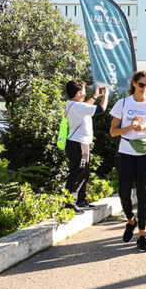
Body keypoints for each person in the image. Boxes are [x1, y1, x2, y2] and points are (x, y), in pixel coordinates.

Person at [109, 71, 146, 252]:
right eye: (142, 85)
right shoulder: (123, 103)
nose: (145, 89)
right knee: (124, 192)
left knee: (142, 192)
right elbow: (113, 132)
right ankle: (131, 220)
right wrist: (130, 127)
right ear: (134, 84)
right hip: (125, 151)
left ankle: (142, 235)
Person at [63, 80, 109, 214]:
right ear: (78, 93)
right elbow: (101, 109)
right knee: (78, 173)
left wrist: (94, 97)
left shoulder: (74, 104)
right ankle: (70, 203)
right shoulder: (78, 106)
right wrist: (106, 95)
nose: (84, 94)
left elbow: (86, 107)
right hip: (78, 144)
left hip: (79, 143)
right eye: (83, 91)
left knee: (83, 172)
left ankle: (81, 201)